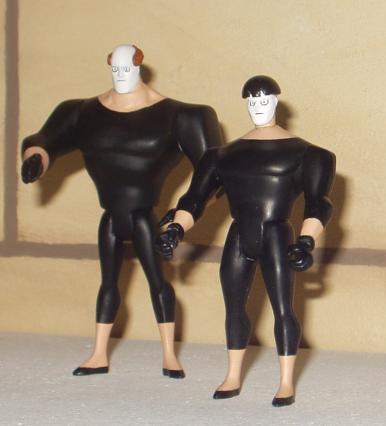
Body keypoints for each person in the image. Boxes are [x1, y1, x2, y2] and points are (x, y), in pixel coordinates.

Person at [21, 44, 222, 378]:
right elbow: (45, 140)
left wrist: (183, 216)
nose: (120, 75)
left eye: (126, 69)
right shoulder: (80, 112)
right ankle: (99, 353)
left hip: (145, 217)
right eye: (115, 69)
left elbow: (213, 174)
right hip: (111, 216)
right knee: (108, 285)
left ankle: (169, 355)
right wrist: (36, 158)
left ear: (139, 68)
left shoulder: (182, 116)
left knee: (157, 282)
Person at [156, 75, 336, 406]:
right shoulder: (221, 155)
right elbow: (195, 199)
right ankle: (233, 374)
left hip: (277, 234)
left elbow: (318, 203)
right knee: (234, 307)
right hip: (239, 235)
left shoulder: (308, 154)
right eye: (252, 101)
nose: (257, 107)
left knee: (283, 308)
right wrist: (177, 228)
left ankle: (285, 381)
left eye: (264, 100)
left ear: (276, 102)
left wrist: (306, 241)